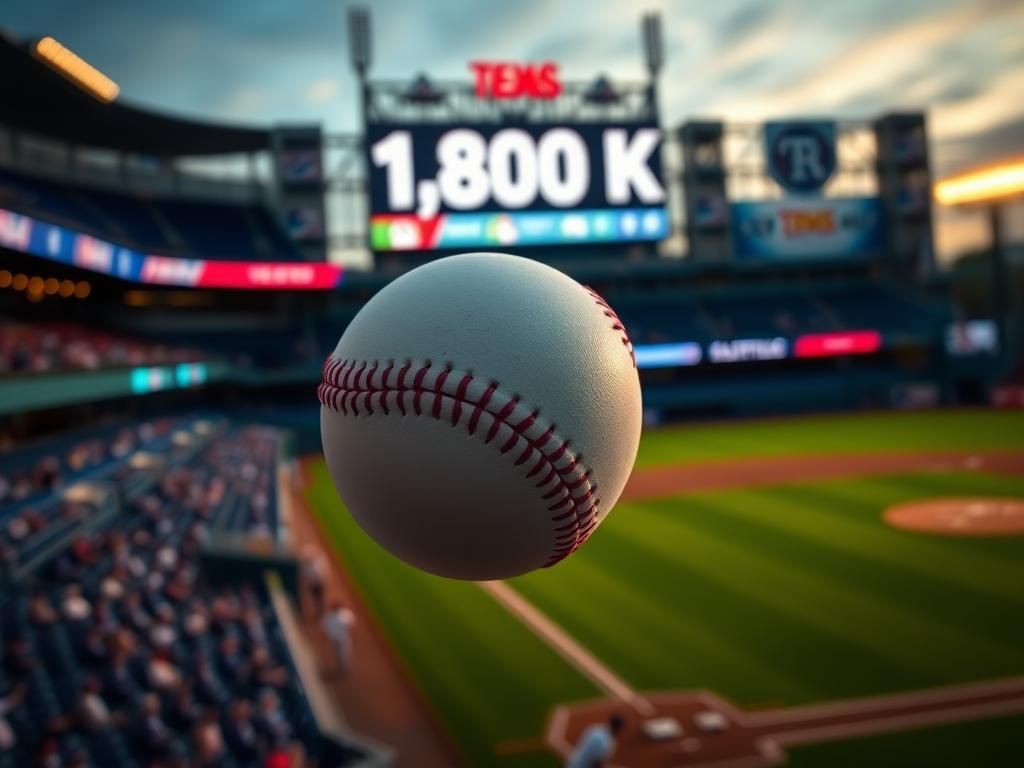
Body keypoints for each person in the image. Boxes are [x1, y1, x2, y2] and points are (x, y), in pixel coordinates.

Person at [321, 600, 355, 675]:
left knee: (342, 653)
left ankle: (343, 667)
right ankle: (342, 666)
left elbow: (351, 625)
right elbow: (324, 627)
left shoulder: (343, 615)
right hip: (337, 638)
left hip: (339, 638)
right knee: (340, 653)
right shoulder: (330, 616)